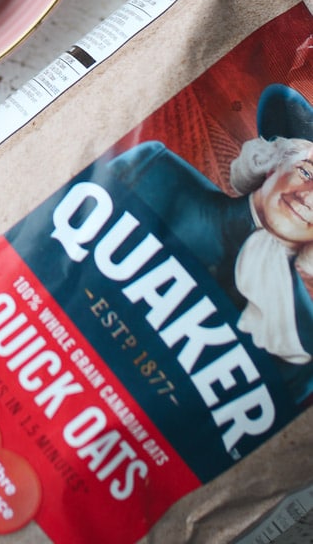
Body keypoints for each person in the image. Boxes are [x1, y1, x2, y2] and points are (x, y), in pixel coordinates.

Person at [107, 83, 313, 403]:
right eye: (306, 171)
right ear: (273, 159)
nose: (308, 196)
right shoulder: (153, 174)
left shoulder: (302, 339)